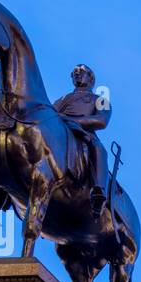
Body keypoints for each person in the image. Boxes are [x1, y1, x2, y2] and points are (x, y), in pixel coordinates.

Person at [53, 63, 111, 218]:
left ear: (90, 78)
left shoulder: (100, 99)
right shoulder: (61, 100)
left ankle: (98, 190)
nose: (77, 74)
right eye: (74, 72)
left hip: (83, 133)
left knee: (99, 150)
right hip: (60, 131)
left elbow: (101, 120)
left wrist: (72, 120)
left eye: (81, 71)